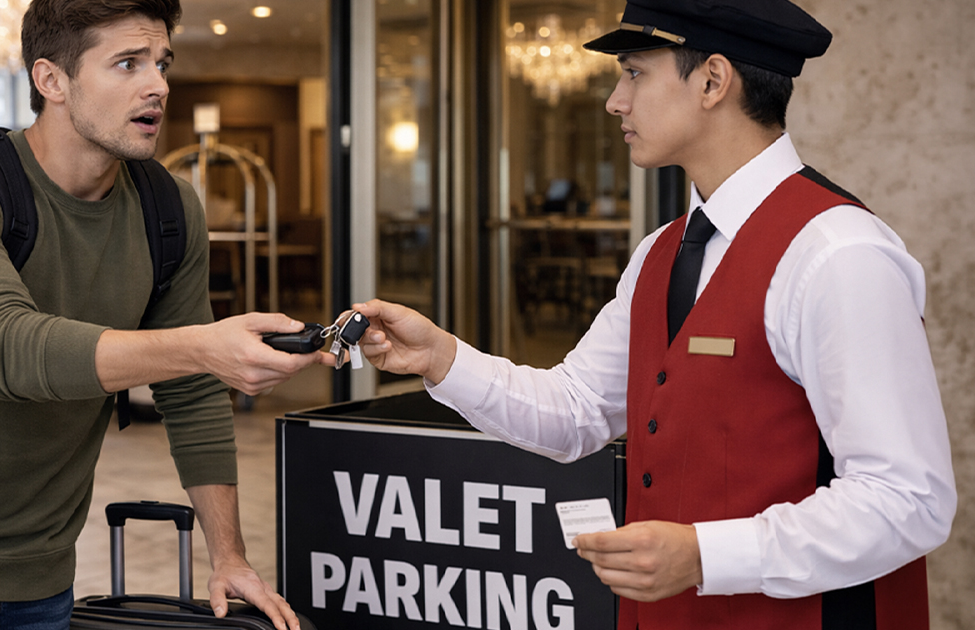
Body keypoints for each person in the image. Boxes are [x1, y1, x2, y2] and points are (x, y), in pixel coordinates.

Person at [353, 0, 955, 628]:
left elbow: (908, 500)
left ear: (713, 81)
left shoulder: (837, 253)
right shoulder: (661, 251)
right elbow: (579, 409)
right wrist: (442, 358)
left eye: (635, 72)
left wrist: (704, 555)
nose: (616, 101)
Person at [0, 1, 330, 628]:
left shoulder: (168, 211)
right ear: (51, 80)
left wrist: (230, 556)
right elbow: (2, 350)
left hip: (42, 578)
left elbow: (191, 394)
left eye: (162, 63)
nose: (159, 85)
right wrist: (199, 346)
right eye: (127, 63)